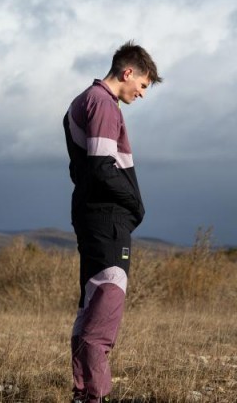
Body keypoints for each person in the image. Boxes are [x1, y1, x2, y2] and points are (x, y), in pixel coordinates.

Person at [63, 41, 163, 403]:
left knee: (91, 305)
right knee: (104, 309)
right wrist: (136, 204)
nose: (141, 94)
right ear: (128, 72)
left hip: (96, 218)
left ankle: (83, 393)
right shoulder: (103, 103)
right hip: (106, 222)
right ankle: (94, 396)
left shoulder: (86, 101)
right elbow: (102, 167)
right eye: (143, 85)